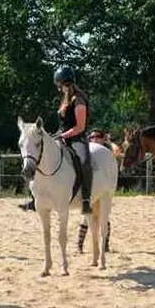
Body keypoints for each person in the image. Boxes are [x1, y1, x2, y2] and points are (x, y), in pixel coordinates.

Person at [53, 65, 93, 215]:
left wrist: (63, 136)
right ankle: (35, 197)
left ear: (61, 83)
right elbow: (63, 125)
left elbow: (80, 127)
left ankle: (86, 201)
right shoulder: (65, 99)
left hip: (77, 139)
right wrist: (56, 135)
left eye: (59, 85)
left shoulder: (79, 100)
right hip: (62, 136)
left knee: (84, 163)